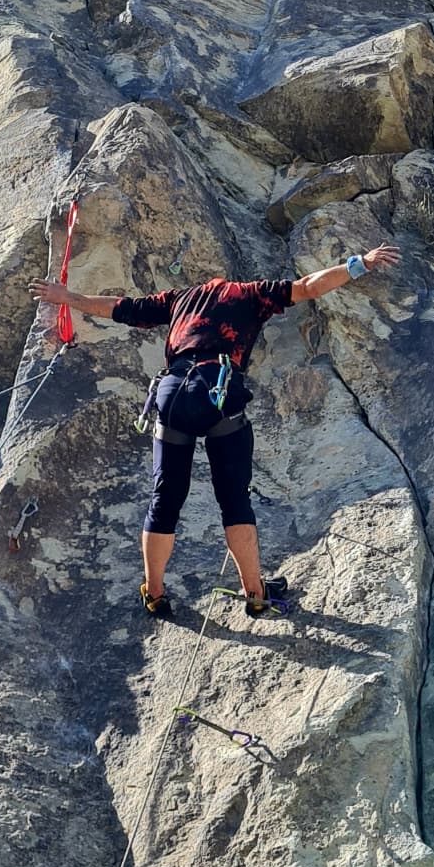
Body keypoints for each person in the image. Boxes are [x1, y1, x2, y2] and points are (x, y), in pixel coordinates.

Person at [32, 244, 402, 617]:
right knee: (234, 499)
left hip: (173, 393)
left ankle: (155, 593)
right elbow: (308, 287)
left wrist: (68, 298)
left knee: (165, 499)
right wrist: (360, 264)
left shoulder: (179, 299)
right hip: (217, 392)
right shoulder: (250, 293)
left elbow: (120, 307)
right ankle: (255, 593)